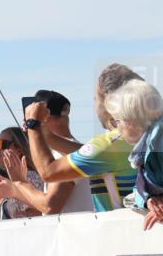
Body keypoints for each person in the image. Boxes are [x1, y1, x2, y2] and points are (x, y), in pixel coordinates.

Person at [23, 64, 141, 212]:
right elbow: (85, 151)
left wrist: (32, 125)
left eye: (95, 99)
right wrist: (45, 135)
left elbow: (48, 172)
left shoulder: (109, 145)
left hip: (117, 233)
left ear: (108, 102)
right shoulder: (150, 137)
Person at [104, 79, 163, 230]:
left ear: (131, 121)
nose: (117, 128)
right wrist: (150, 200)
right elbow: (139, 188)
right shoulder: (149, 146)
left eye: (117, 121)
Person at [0, 127, 42, 218]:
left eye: (2, 144)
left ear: (18, 149)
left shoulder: (30, 176)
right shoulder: (10, 178)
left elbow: (38, 213)